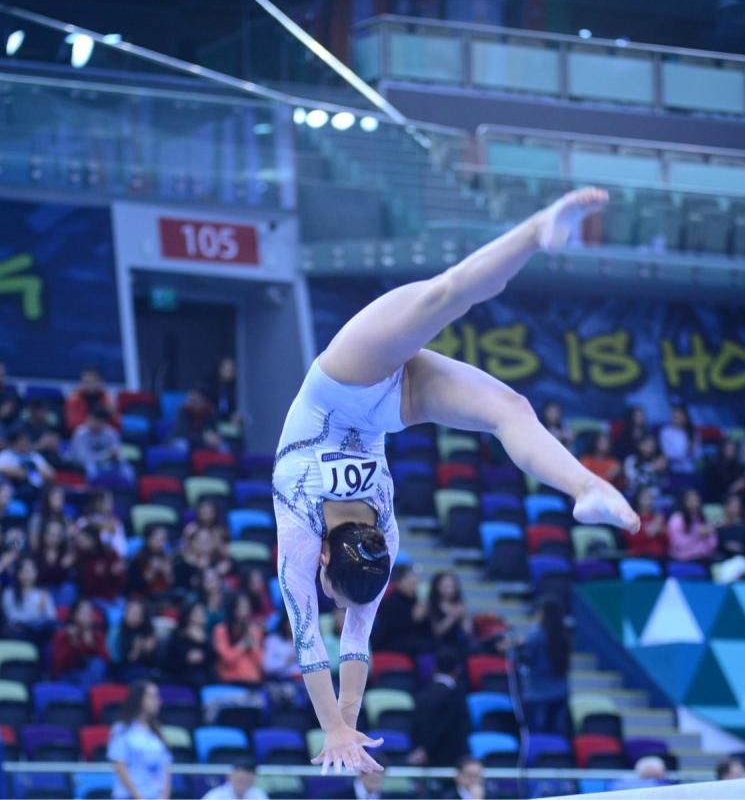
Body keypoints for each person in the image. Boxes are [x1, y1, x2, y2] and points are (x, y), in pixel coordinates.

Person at [271, 189, 636, 775]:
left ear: (321, 565)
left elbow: (318, 641)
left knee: (447, 297)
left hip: (341, 384)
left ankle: (537, 229)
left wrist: (340, 726)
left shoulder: (302, 524)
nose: (338, 608)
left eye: (333, 598)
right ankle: (584, 487)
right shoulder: (375, 548)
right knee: (508, 407)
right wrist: (340, 725)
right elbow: (340, 638)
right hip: (388, 404)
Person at [408, 648, 470, 768]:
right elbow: (460, 727)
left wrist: (423, 750)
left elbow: (415, 727)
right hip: (452, 762)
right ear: (458, 670)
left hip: (425, 760)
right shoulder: (456, 695)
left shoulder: (421, 695)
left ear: (434, 668)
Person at [109, 680, 171, 800]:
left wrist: (164, 796)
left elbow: (165, 767)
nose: (158, 701)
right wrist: (138, 797)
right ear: (139, 699)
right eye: (152, 697)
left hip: (155, 795)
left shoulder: (156, 731)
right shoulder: (122, 729)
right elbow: (120, 766)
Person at [519, 599, 570, 736]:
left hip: (537, 694)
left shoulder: (537, 636)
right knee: (556, 735)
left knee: (539, 735)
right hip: (560, 692)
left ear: (543, 614)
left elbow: (526, 659)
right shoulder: (564, 636)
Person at [372, 564, 433, 656]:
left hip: (414, 641)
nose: (414, 586)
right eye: (411, 583)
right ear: (399, 582)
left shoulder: (419, 600)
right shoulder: (390, 601)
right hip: (392, 641)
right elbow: (389, 627)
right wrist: (413, 618)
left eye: (416, 583)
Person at [51, 597, 109, 687]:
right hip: (68, 675)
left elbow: (105, 661)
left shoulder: (97, 635)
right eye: (84, 612)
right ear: (74, 615)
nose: (88, 615)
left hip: (90, 676)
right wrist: (73, 642)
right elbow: (59, 664)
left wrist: (92, 645)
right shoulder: (63, 634)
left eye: (90, 612)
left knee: (97, 664)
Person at [1, 557, 59, 644]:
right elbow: (11, 616)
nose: (27, 575)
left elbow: (51, 616)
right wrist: (34, 615)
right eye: (24, 571)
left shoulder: (42, 593)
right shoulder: (9, 593)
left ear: (36, 573)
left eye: (30, 571)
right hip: (19, 631)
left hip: (37, 631)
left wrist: (40, 612)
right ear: (18, 574)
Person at [213, 592, 264, 685]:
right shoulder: (221, 630)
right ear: (233, 608)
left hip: (253, 680)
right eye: (242, 606)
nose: (246, 609)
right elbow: (227, 658)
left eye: (247, 605)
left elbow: (260, 661)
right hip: (231, 681)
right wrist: (242, 645)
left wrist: (254, 645)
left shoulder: (254, 630)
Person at [164, 600, 213, 688]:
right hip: (180, 675)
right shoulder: (178, 635)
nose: (201, 616)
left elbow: (213, 660)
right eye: (197, 613)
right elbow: (169, 661)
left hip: (203, 676)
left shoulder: (206, 636)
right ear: (189, 615)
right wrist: (187, 658)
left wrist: (203, 642)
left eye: (202, 613)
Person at [0, 429, 55, 493]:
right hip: (9, 492)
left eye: (27, 440)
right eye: (22, 440)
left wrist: (27, 471)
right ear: (14, 442)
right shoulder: (3, 456)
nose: (26, 443)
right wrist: (32, 472)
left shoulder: (33, 455)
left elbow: (50, 474)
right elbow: (3, 470)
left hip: (36, 492)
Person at [114, 598, 161, 682]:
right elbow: (116, 661)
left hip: (145, 669)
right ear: (125, 613)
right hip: (122, 670)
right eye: (132, 612)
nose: (135, 616)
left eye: (139, 613)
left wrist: (150, 651)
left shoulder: (147, 633)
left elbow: (153, 663)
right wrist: (135, 650)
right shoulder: (117, 632)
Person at [428, 572, 472, 658]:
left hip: (457, 643)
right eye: (445, 586)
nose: (449, 590)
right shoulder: (431, 605)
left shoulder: (459, 604)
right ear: (437, 587)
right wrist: (452, 616)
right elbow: (437, 632)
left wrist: (464, 616)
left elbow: (468, 631)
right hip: (437, 644)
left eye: (452, 587)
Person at [667, 489, 717, 562]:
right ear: (684, 502)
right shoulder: (676, 519)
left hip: (704, 557)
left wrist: (707, 536)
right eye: (691, 500)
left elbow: (713, 542)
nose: (694, 502)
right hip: (682, 558)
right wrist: (697, 534)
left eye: (696, 499)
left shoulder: (704, 519)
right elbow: (677, 543)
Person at [65, 367, 119, 433]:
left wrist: (109, 416)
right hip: (83, 435)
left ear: (101, 382)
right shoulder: (74, 400)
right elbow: (72, 425)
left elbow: (117, 425)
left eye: (94, 381)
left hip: (103, 434)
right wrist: (92, 423)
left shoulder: (108, 400)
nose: (90, 385)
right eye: (87, 382)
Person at [203, 757, 268, 800]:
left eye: (248, 782)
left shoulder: (258, 795)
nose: (243, 786)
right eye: (240, 780)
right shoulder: (215, 796)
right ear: (229, 777)